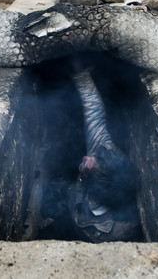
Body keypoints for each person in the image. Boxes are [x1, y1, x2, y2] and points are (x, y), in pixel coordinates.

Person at [68, 61, 141, 243]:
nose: (85, 157)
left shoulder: (117, 233)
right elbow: (94, 112)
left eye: (86, 164)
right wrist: (80, 71)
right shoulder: (107, 154)